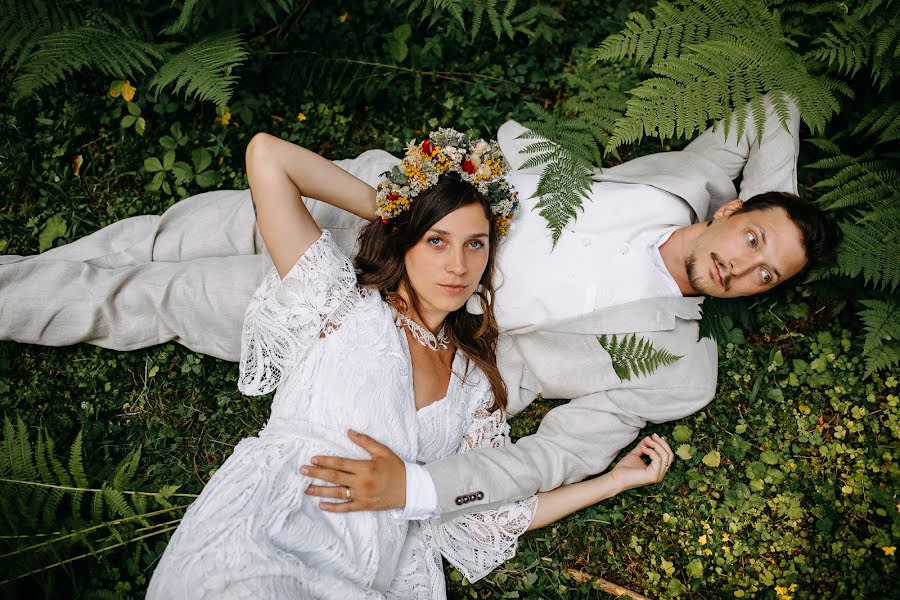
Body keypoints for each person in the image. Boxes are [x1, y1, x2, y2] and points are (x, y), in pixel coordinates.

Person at [0, 95, 838, 523]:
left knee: (161, 295)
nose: (746, 268)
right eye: (758, 239)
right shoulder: (693, 179)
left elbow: (551, 456)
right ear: (736, 208)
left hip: (386, 328)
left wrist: (426, 488)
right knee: (171, 237)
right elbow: (776, 102)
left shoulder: (677, 364)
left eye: (769, 278)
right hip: (382, 210)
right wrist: (787, 208)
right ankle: (22, 278)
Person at [144, 129, 676, 599]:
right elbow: (267, 157)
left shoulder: (472, 382)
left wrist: (615, 481)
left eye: (475, 245)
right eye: (436, 240)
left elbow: (495, 511)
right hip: (269, 526)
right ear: (406, 240)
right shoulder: (341, 300)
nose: (457, 265)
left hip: (367, 568)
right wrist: (395, 208)